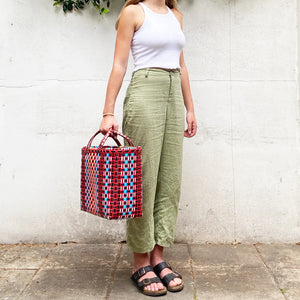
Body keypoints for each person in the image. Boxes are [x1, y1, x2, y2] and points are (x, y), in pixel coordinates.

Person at [99, 0, 197, 296]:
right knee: (142, 179)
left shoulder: (175, 15)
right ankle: (140, 260)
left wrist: (190, 109)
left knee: (169, 179)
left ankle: (158, 256)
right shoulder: (133, 12)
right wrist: (108, 112)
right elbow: (119, 63)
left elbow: (181, 65)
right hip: (145, 90)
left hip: (172, 94)